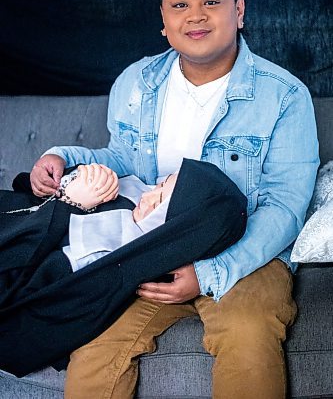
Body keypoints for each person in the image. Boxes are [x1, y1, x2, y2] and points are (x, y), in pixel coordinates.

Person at [29, 0, 319, 398]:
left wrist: (210, 273)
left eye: (212, 1)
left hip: (246, 255)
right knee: (95, 346)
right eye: (179, 4)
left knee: (247, 331)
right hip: (153, 247)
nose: (195, 16)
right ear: (164, 20)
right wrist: (62, 157)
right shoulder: (137, 81)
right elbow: (124, 159)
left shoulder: (283, 96)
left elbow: (284, 207)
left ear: (238, 11)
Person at [0, 158, 247, 377]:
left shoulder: (111, 259)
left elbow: (22, 279)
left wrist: (67, 205)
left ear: (175, 230)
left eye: (160, 200)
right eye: (160, 186)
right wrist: (83, 178)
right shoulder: (135, 194)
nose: (148, 196)